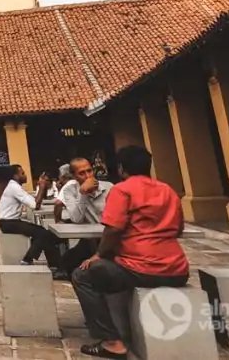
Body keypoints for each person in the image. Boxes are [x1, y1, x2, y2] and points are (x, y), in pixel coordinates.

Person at [72, 146, 188, 359]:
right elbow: (178, 229)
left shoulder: (122, 190)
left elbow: (113, 229)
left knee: (82, 275)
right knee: (107, 272)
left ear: (121, 168)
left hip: (141, 269)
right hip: (178, 270)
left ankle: (112, 341)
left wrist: (99, 254)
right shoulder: (168, 191)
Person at [52, 157, 113, 280]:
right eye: (81, 173)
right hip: (90, 238)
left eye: (89, 171)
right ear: (74, 176)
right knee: (66, 264)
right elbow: (77, 219)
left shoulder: (109, 187)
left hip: (111, 237)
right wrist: (83, 194)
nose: (87, 176)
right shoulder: (70, 190)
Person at [0, 164, 61, 268]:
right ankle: (27, 259)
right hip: (8, 223)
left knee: (42, 233)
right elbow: (35, 205)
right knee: (42, 233)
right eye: (22, 173)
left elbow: (34, 201)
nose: (25, 175)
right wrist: (42, 186)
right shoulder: (14, 188)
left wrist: (42, 188)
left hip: (10, 221)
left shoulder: (15, 187)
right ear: (15, 176)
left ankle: (53, 264)